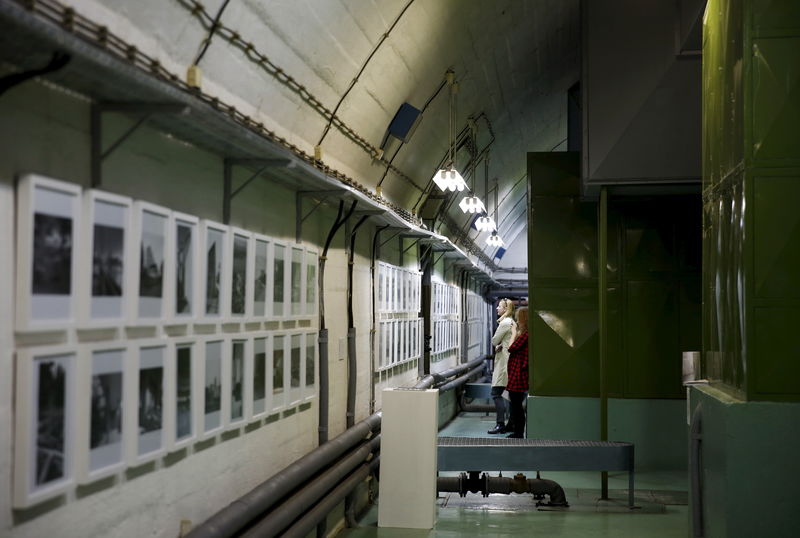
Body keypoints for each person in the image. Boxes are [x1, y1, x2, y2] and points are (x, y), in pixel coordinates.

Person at [488, 298, 515, 434]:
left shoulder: (504, 323)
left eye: (499, 307)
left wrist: (497, 345)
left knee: (496, 393)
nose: (497, 308)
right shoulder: (511, 322)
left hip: (504, 363)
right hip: (507, 362)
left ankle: (500, 424)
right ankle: (510, 423)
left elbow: (494, 340)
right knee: (508, 395)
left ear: (506, 309)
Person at [506, 307, 529, 438]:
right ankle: (516, 429)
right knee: (516, 403)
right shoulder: (525, 334)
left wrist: (514, 331)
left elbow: (511, 347)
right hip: (517, 371)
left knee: (516, 404)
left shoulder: (525, 334)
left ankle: (518, 432)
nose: (516, 320)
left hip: (519, 373)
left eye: (518, 317)